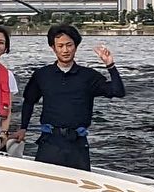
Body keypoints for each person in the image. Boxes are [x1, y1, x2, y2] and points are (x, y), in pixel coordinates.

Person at [19, 23, 125, 171]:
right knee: (43, 187)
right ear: (53, 48)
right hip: (50, 142)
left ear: (76, 46)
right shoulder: (42, 75)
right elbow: (29, 101)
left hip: (78, 143)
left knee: (81, 190)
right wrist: (23, 128)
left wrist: (110, 65)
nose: (65, 50)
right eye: (60, 46)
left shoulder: (88, 76)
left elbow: (118, 91)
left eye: (69, 45)